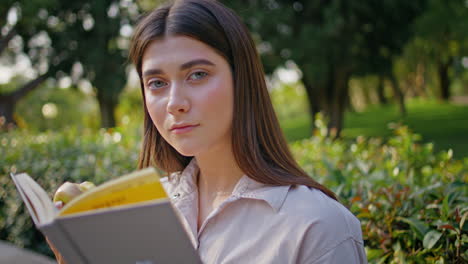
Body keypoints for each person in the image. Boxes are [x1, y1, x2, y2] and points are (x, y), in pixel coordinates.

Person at [49, 0, 367, 263]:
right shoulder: (140, 212)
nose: (175, 103)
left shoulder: (318, 226)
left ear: (242, 79)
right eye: (157, 83)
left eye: (197, 74)